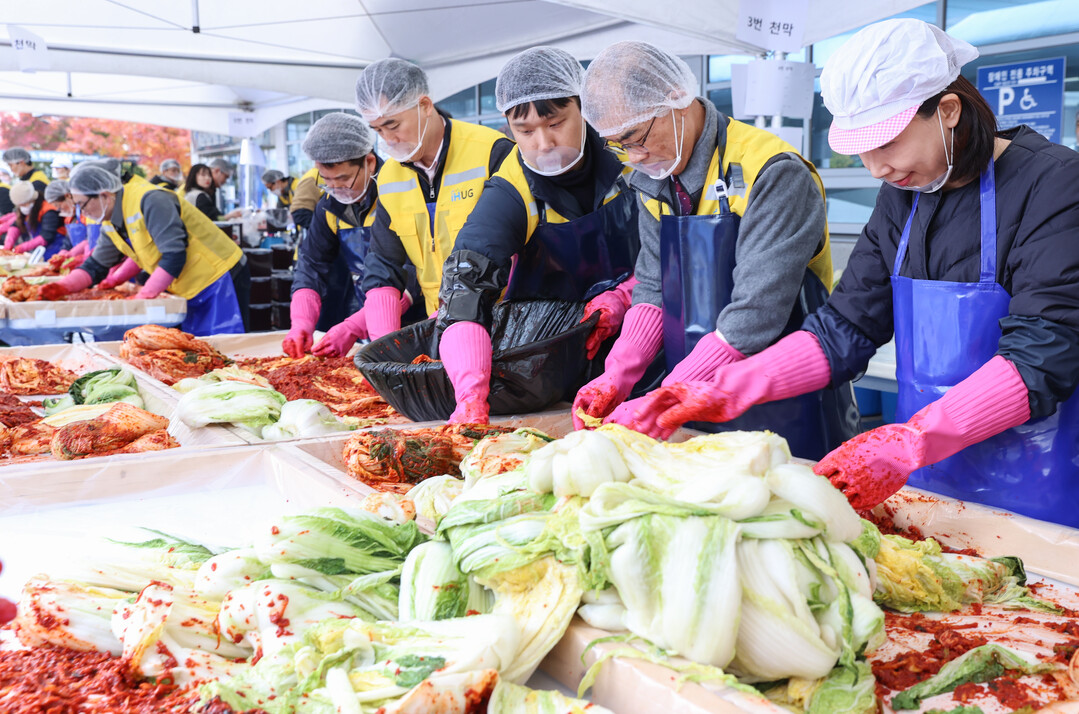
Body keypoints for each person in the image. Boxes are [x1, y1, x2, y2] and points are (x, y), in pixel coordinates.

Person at [629, 20, 1079, 526]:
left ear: (947, 111)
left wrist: (912, 439)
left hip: (1039, 485)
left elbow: (1045, 351)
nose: (874, 169)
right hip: (926, 479)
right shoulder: (905, 194)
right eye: (860, 150)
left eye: (885, 144)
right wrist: (732, 386)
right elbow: (846, 325)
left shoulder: (1056, 184)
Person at [570, 41, 857, 459]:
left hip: (787, 415)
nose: (634, 156)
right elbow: (653, 286)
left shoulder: (774, 171)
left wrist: (668, 395)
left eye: (636, 137)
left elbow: (755, 312)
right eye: (618, 145)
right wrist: (619, 372)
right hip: (694, 401)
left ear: (677, 101)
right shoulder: (652, 179)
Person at [435, 47, 640, 423]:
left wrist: (625, 296)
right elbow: (464, 292)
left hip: (643, 344)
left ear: (584, 107)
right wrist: (470, 394)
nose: (543, 143)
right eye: (525, 131)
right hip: (546, 369)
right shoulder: (509, 192)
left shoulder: (632, 157)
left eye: (556, 123)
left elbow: (673, 259)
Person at [353, 58, 514, 339]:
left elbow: (525, 249)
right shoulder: (389, 176)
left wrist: (462, 307)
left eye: (393, 125)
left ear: (425, 106)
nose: (388, 139)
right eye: (378, 130)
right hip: (439, 328)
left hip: (507, 321)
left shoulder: (491, 152)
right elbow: (383, 259)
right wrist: (382, 340)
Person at [41, 164, 246, 336]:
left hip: (220, 275)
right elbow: (96, 265)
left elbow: (174, 254)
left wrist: (145, 296)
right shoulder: (110, 220)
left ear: (103, 195)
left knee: (226, 347)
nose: (81, 212)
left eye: (82, 205)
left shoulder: (150, 200)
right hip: (188, 285)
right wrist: (63, 287)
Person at [282, 113, 419, 358]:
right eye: (327, 181)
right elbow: (312, 264)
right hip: (369, 317)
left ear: (369, 162)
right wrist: (301, 322)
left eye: (344, 179)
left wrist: (353, 326)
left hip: (418, 322)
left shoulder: (402, 193)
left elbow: (415, 277)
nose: (336, 189)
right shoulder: (328, 207)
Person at [4, 181, 67, 257]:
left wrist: (24, 246)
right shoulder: (28, 210)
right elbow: (17, 224)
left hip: (57, 249)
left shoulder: (48, 210)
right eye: (20, 206)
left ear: (32, 199)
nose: (22, 207)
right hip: (42, 252)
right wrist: (9, 242)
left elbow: (47, 236)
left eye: (24, 204)